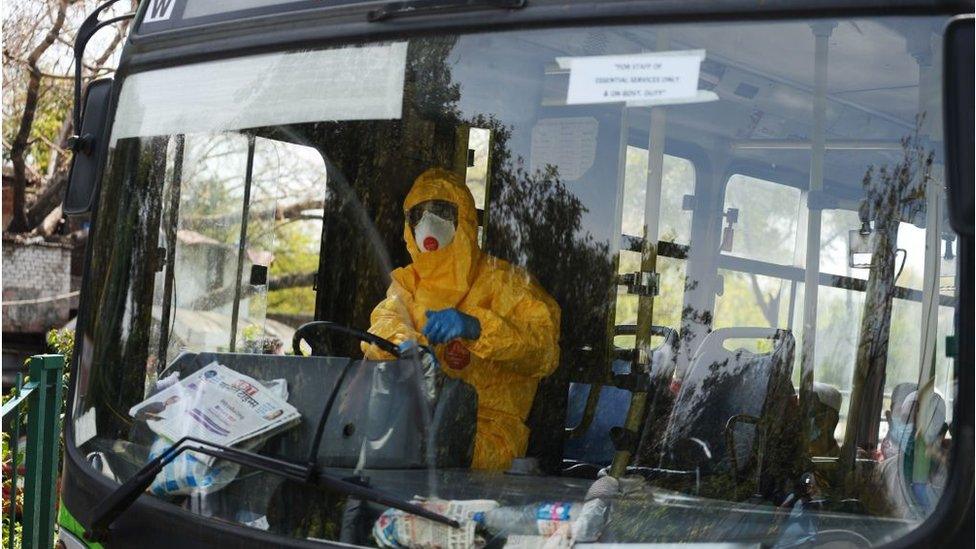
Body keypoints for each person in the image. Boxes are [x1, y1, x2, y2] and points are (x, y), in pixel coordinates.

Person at [362, 168, 561, 470]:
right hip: (413, 425)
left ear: (464, 218)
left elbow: (544, 352)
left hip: (488, 436)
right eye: (419, 214)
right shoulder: (407, 283)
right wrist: (409, 347)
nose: (429, 222)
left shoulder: (509, 284)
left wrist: (478, 327)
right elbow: (385, 322)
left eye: (442, 211)